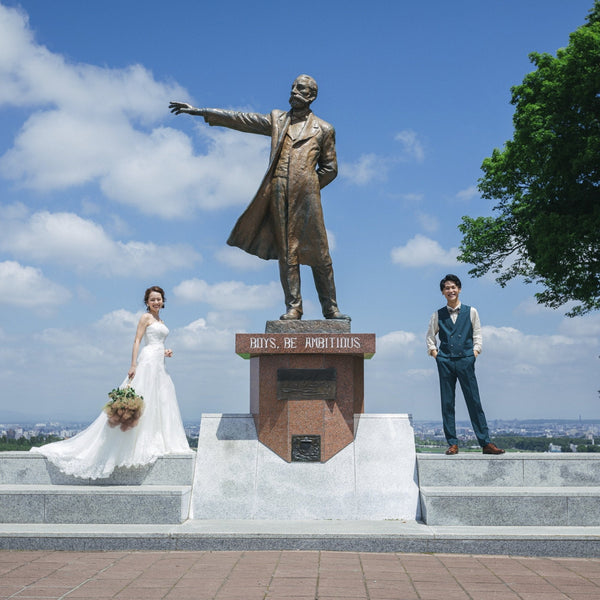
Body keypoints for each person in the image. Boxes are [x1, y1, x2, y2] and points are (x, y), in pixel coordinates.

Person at [169, 74, 349, 321]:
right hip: (277, 194)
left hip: (307, 198)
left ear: (311, 96)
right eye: (293, 87)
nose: (293, 91)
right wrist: (201, 111)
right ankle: (294, 307)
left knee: (320, 253)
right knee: (287, 252)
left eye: (300, 88)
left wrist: (308, 186)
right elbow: (242, 119)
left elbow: (330, 168)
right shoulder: (278, 120)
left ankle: (331, 308)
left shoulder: (324, 129)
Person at [30, 286, 193, 479]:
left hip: (159, 363)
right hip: (148, 362)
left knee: (160, 400)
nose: (156, 302)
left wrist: (165, 351)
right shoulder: (145, 318)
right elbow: (137, 340)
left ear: (163, 301)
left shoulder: (160, 320)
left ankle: (159, 440)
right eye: (152, 300)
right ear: (147, 302)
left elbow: (156, 343)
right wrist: (133, 364)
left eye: (158, 299)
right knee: (144, 398)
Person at [426, 274, 505, 456]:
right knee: (447, 403)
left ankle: (485, 443)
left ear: (459, 289)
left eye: (453, 287)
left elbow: (477, 334)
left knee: (474, 401)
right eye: (447, 288)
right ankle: (452, 443)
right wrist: (436, 354)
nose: (450, 290)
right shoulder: (437, 314)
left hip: (466, 359)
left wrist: (475, 353)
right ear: (443, 292)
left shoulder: (471, 311)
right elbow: (430, 337)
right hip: (445, 361)